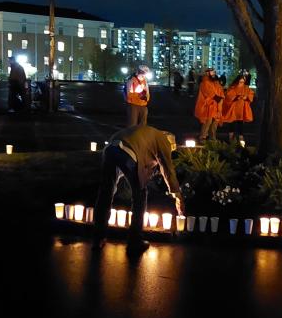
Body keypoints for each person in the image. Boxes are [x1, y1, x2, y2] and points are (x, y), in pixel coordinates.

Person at [90, 125, 184, 254]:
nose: (170, 151)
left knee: (106, 192)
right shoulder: (163, 139)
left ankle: (98, 238)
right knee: (140, 193)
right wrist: (177, 195)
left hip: (110, 149)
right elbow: (167, 168)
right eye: (172, 149)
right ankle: (135, 241)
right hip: (127, 154)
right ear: (171, 143)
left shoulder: (148, 133)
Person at [222, 73, 255, 143]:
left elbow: (250, 94)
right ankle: (231, 137)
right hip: (233, 108)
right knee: (231, 122)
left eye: (243, 82)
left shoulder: (246, 88)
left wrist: (246, 97)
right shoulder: (232, 87)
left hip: (242, 108)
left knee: (240, 123)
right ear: (237, 81)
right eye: (240, 82)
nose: (242, 83)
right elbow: (228, 96)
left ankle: (241, 137)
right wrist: (236, 97)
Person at [194, 68, 224, 141]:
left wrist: (221, 97)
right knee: (208, 121)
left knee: (215, 121)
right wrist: (217, 98)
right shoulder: (204, 82)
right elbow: (208, 92)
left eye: (214, 72)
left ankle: (212, 137)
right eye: (212, 72)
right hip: (209, 105)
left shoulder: (216, 82)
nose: (214, 73)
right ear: (207, 73)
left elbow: (220, 91)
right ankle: (203, 137)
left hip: (217, 105)